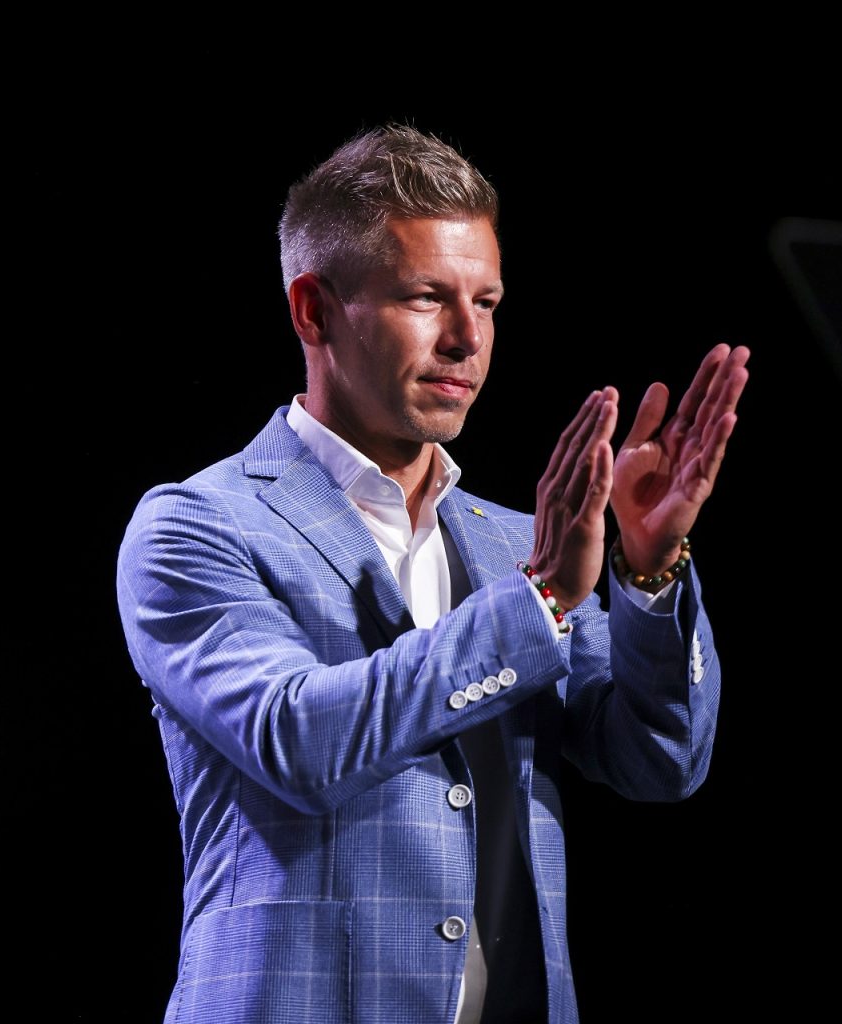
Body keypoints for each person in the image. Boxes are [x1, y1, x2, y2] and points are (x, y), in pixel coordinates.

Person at [115, 124, 749, 1023]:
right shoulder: (197, 525)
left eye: (486, 302)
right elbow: (297, 739)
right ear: (314, 310)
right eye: (426, 297)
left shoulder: (517, 543)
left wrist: (648, 574)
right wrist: (541, 598)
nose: (467, 338)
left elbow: (662, 761)